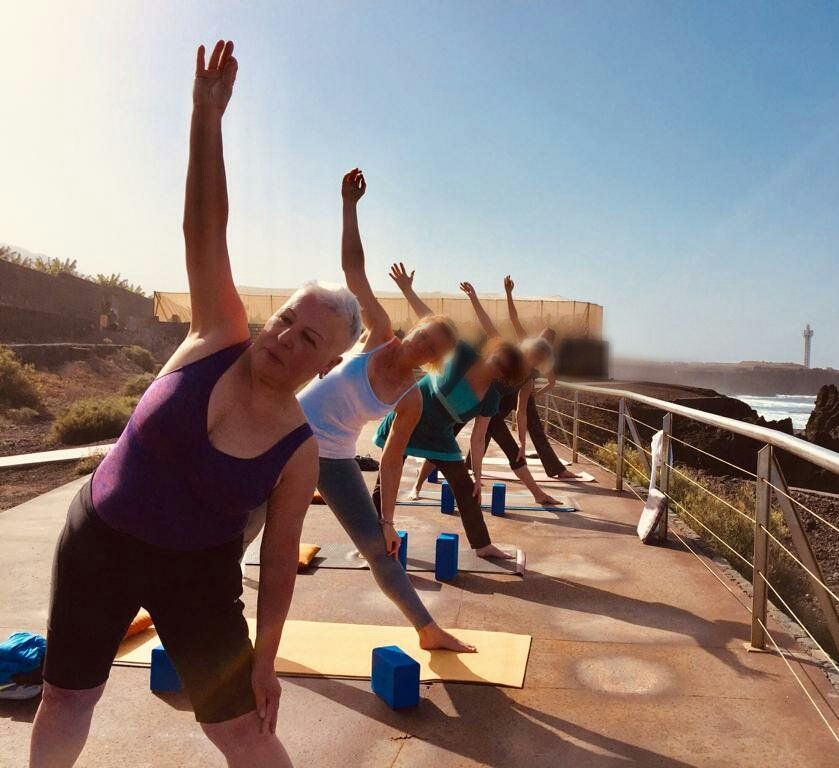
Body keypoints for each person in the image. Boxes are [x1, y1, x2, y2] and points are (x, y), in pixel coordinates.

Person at [30, 41, 362, 768]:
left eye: (307, 339)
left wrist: (267, 660)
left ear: (327, 362)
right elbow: (202, 229)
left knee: (244, 732)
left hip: (197, 578)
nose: (284, 339)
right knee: (66, 698)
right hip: (98, 541)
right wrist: (205, 116)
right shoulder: (217, 333)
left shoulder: (299, 448)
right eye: (285, 321)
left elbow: (278, 564)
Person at [292, 168, 473, 653]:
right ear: (414, 330)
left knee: (378, 548)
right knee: (241, 525)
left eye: (431, 344)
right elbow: (354, 272)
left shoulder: (410, 398)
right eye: (423, 332)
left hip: (332, 458)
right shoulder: (377, 331)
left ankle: (428, 630)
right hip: (284, 431)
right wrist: (349, 206)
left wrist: (389, 520)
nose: (420, 342)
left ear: (432, 358)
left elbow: (393, 461)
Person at [373, 264, 527, 559]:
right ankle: (369, 540)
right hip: (409, 416)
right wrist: (407, 289)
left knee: (466, 489)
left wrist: (478, 477)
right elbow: (431, 324)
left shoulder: (490, 398)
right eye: (497, 357)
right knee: (384, 484)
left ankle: (482, 545)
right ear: (492, 351)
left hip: (440, 435)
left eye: (503, 367)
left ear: (505, 375)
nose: (495, 365)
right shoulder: (465, 354)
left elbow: (478, 439)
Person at [407, 280, 564, 505]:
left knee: (513, 452)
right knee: (442, 441)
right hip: (467, 401)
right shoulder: (508, 353)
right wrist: (475, 298)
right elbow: (493, 323)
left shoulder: (528, 378)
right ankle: (417, 485)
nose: (533, 359)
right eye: (533, 353)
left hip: (491, 411)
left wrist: (522, 443)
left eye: (539, 358)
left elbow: (522, 412)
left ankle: (538, 494)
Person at [503, 276, 582, 479]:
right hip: (506, 389)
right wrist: (509, 294)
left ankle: (557, 469)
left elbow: (552, 382)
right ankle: (466, 462)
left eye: (547, 340)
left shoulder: (545, 359)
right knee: (489, 422)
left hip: (523, 391)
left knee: (536, 431)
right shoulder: (526, 341)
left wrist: (534, 393)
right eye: (544, 336)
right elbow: (514, 318)